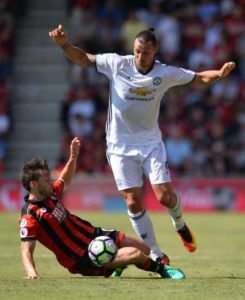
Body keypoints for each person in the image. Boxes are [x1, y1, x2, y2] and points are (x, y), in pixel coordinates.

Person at [49, 25, 236, 265]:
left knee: (165, 197)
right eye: (137, 51)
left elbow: (198, 78)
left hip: (150, 143)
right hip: (119, 145)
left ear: (155, 51)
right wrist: (64, 45)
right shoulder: (118, 64)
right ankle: (157, 254)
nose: (140, 56)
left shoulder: (165, 73)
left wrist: (219, 74)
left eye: (145, 52)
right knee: (133, 201)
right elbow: (84, 59)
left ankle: (179, 224)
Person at [19, 137, 185, 280]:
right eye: (46, 180)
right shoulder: (30, 215)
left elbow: (64, 180)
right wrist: (32, 272)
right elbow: (26, 249)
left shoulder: (51, 192)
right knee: (135, 254)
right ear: (33, 185)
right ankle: (162, 271)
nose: (51, 182)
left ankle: (118, 265)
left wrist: (73, 157)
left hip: (94, 234)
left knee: (145, 248)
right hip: (82, 257)